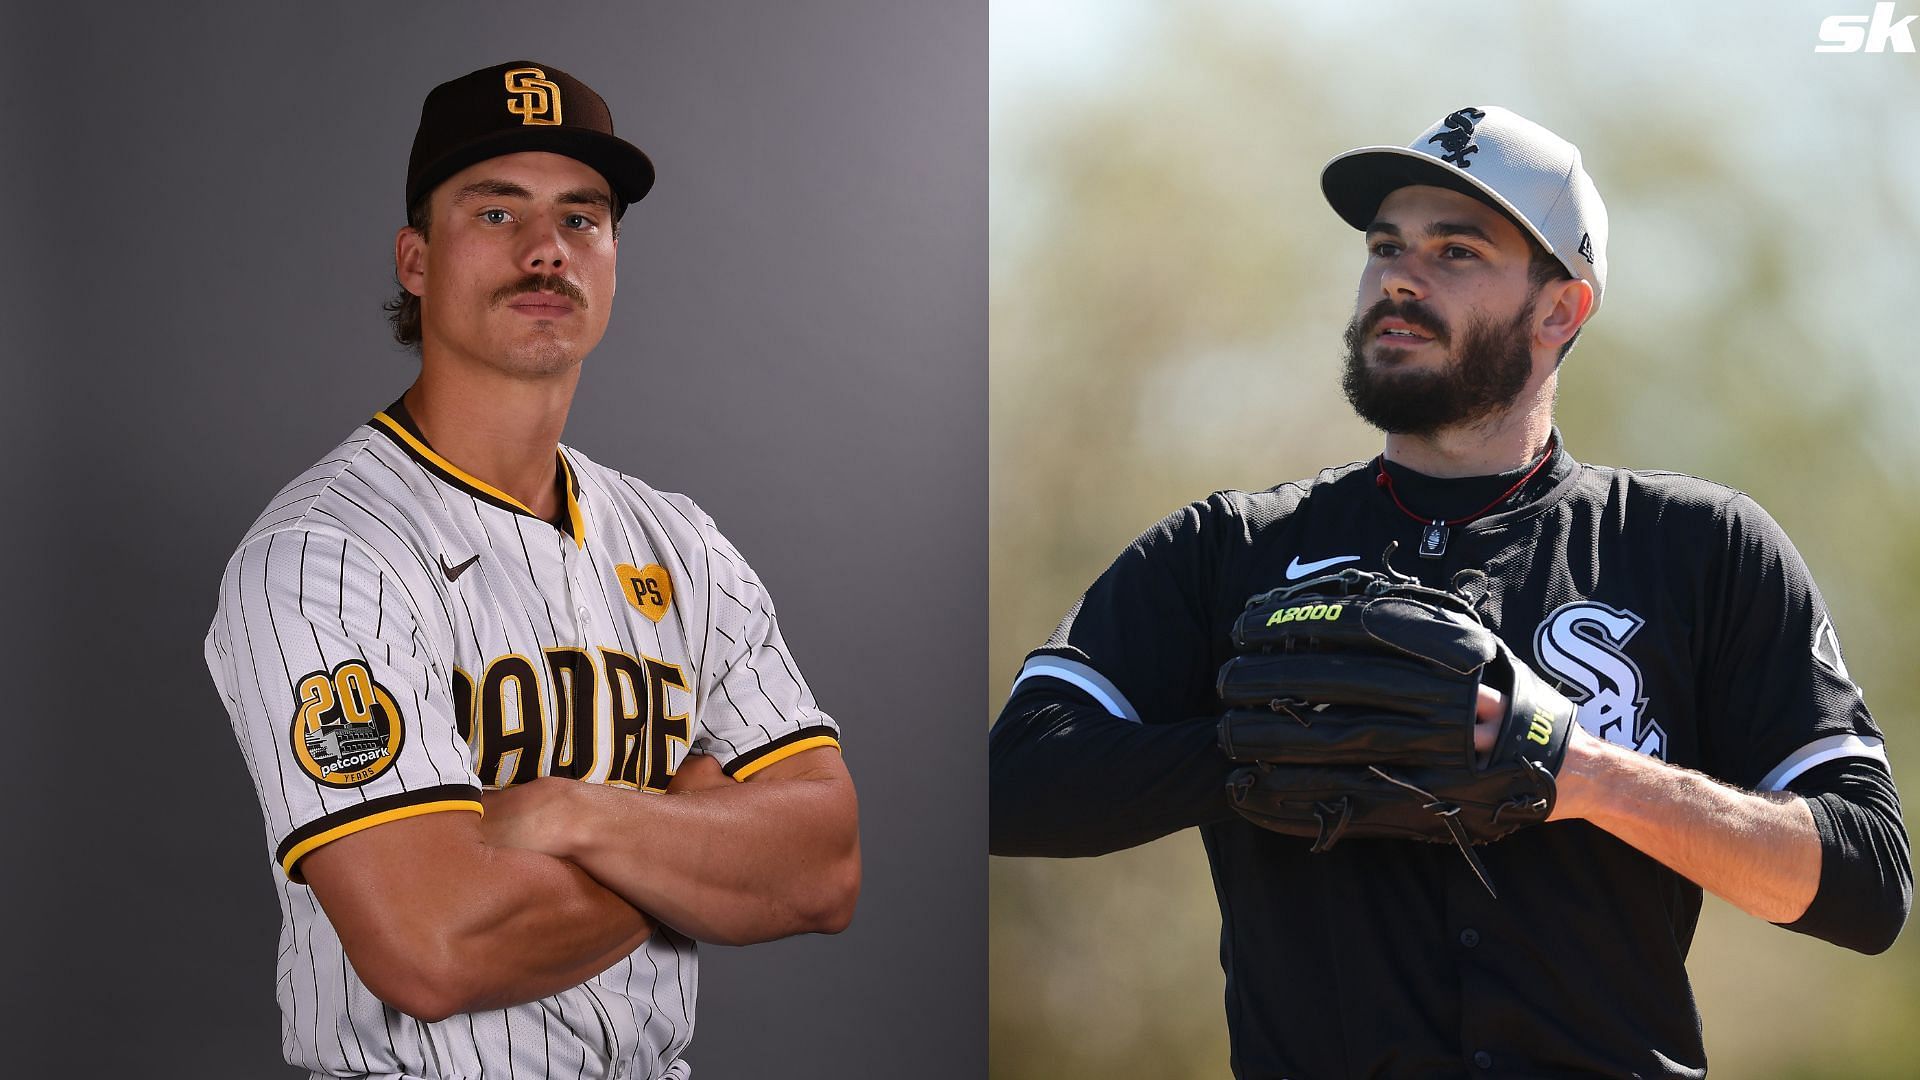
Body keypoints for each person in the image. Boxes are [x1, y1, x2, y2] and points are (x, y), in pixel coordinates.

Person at [988, 106, 1910, 1078]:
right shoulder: (1235, 549)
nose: (1399, 275)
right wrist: (1259, 744)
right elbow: (1013, 787)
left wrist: (1581, 772)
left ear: (1562, 310)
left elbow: (1866, 883)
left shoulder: (1695, 548)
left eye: (1456, 250)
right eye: (1385, 244)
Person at [204, 61, 858, 1079]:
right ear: (415, 259)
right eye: (498, 211)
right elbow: (432, 948)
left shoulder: (679, 542)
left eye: (583, 218)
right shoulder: (324, 555)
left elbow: (823, 866)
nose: (548, 249)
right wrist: (692, 833)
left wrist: (571, 812)